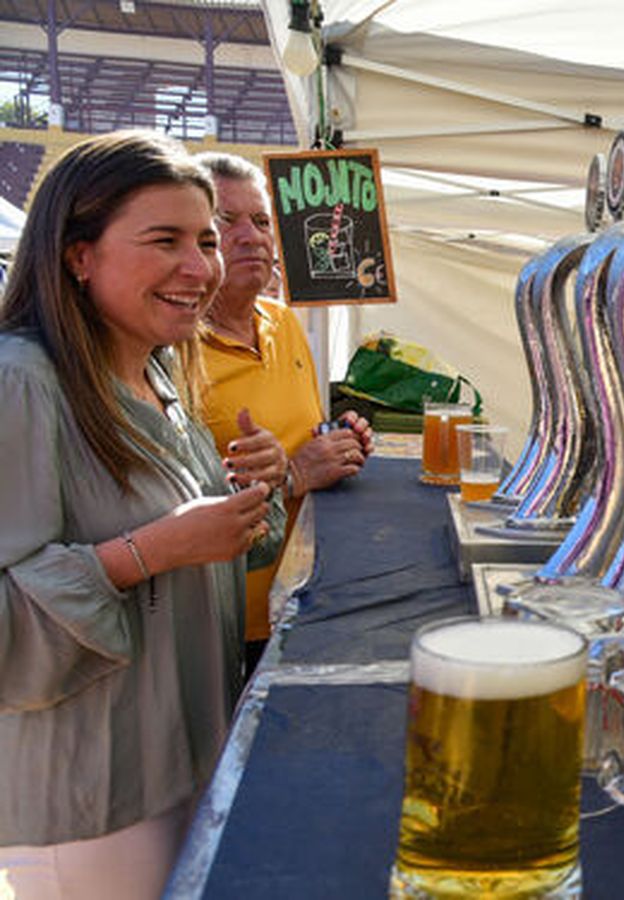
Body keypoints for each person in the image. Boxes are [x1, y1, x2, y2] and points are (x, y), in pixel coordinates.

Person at [0, 131, 275, 898]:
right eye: (166, 241)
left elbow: (201, 562)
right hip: (94, 805)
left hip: (181, 760)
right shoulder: (22, 383)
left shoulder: (156, 377)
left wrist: (251, 498)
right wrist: (148, 551)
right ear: (76, 255)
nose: (201, 269)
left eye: (207, 241)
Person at [193, 152, 372, 671]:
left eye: (262, 221)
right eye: (226, 222)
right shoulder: (171, 351)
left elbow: (304, 433)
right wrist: (296, 474)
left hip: (306, 594)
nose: (252, 236)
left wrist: (341, 441)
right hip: (226, 623)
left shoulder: (284, 323)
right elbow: (170, 506)